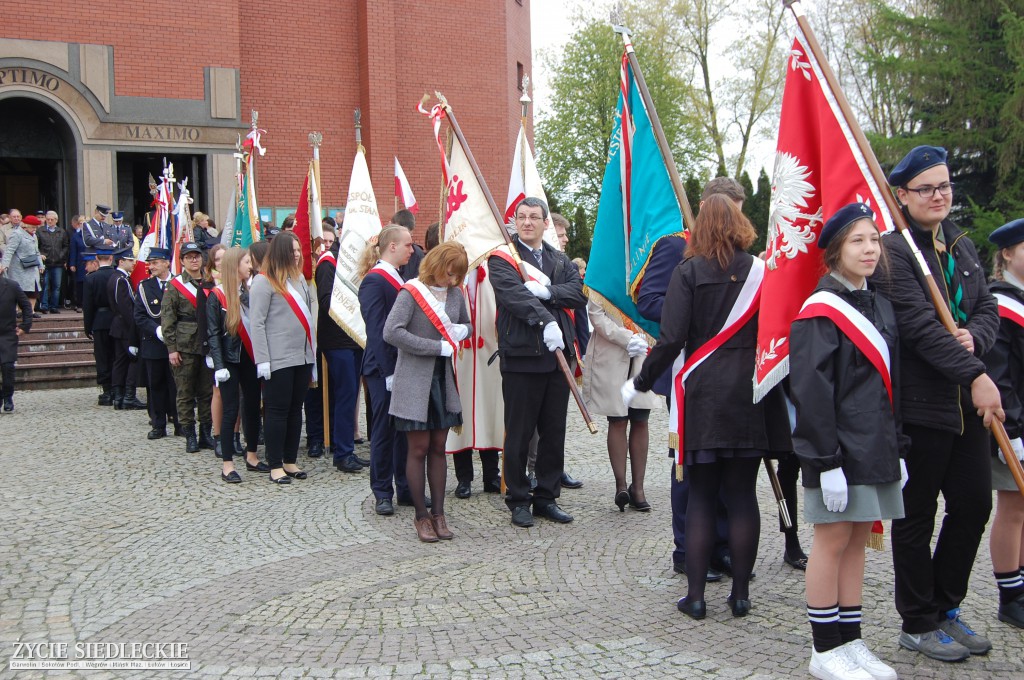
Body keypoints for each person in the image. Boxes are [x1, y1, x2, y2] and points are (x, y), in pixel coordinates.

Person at [623, 194, 791, 619]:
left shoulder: (688, 271)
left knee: (700, 497)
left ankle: (695, 598)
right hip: (748, 397)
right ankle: (740, 596)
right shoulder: (760, 272)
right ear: (739, 224)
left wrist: (640, 381)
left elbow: (672, 338)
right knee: (741, 497)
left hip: (701, 398)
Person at [871, 145, 1002, 661]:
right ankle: (918, 620)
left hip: (966, 405)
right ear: (902, 195)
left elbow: (987, 307)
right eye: (926, 189)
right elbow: (919, 329)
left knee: (974, 504)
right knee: (916, 516)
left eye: (945, 185)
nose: (939, 196)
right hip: (921, 406)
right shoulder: (892, 251)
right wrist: (974, 370)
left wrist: (975, 340)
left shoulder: (961, 244)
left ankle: (947, 606)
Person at [791, 203, 907, 680]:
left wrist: (897, 449)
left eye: (874, 240)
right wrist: (826, 461)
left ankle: (850, 640)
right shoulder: (820, 310)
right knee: (833, 539)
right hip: (838, 449)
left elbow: (889, 384)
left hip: (877, 443)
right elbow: (811, 391)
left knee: (859, 538)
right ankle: (824, 649)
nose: (869, 249)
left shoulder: (879, 302)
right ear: (836, 250)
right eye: (858, 240)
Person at [635, 177, 749, 581]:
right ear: (704, 205)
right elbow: (647, 299)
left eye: (740, 209)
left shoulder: (743, 257)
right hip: (689, 367)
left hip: (733, 376)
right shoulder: (674, 245)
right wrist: (696, 306)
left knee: (728, 463)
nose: (734, 217)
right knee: (690, 466)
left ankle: (720, 546)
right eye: (727, 209)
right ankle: (687, 548)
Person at [489, 196, 587, 527]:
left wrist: (549, 293)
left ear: (546, 223)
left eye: (534, 217)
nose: (527, 222)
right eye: (522, 217)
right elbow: (513, 297)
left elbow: (577, 293)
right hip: (521, 357)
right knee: (519, 432)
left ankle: (546, 496)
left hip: (558, 360)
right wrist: (545, 320)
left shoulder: (559, 259)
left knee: (553, 432)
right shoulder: (503, 260)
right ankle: (518, 498)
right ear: (514, 222)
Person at [384, 241, 471, 541]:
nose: (452, 281)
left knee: (438, 449)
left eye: (457, 276)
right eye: (449, 273)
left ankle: (440, 514)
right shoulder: (411, 292)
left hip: (443, 382)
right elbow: (392, 331)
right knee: (418, 449)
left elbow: (466, 325)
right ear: (435, 265)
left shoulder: (455, 293)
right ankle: (421, 516)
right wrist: (436, 346)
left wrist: (463, 331)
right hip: (414, 381)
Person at [982, 218, 1024, 630]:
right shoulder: (1002, 302)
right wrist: (1011, 431)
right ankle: (1010, 594)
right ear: (1007, 254)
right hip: (1015, 425)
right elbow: (1000, 374)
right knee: (1013, 507)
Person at [249, 232, 315, 484]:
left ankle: (289, 459)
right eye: (292, 250)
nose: (297, 255)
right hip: (277, 358)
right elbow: (257, 323)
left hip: (301, 356)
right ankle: (275, 463)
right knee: (277, 411)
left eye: (299, 250)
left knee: (295, 411)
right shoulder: (263, 282)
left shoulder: (299, 281)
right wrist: (262, 359)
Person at [359, 225, 415, 513]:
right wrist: (389, 371)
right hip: (383, 369)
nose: (412, 249)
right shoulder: (374, 281)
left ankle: (405, 488)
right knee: (383, 431)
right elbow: (377, 330)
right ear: (391, 246)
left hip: (402, 366)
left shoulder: (398, 277)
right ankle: (382, 491)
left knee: (404, 432)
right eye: (407, 244)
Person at [582, 296, 658, 511]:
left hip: (643, 350)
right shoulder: (603, 271)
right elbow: (596, 315)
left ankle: (639, 488)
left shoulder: (642, 269)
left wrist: (643, 335)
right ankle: (621, 486)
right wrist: (626, 338)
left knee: (641, 418)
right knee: (617, 419)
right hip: (612, 352)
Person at [208, 246, 269, 482]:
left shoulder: (250, 292)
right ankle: (227, 465)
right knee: (231, 409)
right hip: (229, 359)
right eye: (245, 262)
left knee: (253, 406)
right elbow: (213, 333)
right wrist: (219, 364)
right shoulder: (217, 295)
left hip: (250, 357)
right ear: (235, 266)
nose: (250, 266)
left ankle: (252, 455)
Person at [315, 231, 366, 473]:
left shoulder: (356, 266)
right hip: (337, 340)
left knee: (349, 395)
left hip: (354, 339)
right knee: (346, 395)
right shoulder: (328, 264)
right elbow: (326, 301)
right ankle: (343, 452)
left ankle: (344, 446)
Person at [162, 241, 215, 454]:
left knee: (206, 392)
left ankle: (205, 433)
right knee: (185, 393)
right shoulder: (175, 286)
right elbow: (167, 319)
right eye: (189, 257)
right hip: (184, 346)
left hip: (206, 344)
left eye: (197, 256)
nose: (194, 259)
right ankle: (189, 435)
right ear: (182, 261)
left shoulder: (210, 282)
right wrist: (171, 348)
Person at [133, 247, 177, 439]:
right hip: (153, 342)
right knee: (156, 385)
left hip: (176, 343)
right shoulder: (145, 286)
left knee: (176, 385)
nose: (151, 267)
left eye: (156, 262)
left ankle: (180, 422)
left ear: (167, 262)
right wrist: (156, 329)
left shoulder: (178, 282)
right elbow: (139, 316)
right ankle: (158, 424)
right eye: (150, 263)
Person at [107, 247, 144, 410]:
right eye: (130, 260)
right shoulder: (121, 279)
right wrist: (135, 328)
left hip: (118, 325)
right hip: (124, 326)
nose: (133, 263)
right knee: (132, 359)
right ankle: (128, 395)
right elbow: (125, 307)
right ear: (121, 261)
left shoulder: (117, 277)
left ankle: (119, 395)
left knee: (120, 361)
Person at [83, 247, 117, 405]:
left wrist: (87, 326)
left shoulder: (91, 278)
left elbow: (88, 305)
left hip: (100, 320)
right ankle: (118, 389)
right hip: (117, 319)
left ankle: (107, 390)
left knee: (103, 356)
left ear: (97, 258)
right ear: (111, 258)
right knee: (117, 355)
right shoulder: (117, 276)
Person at [0, 274, 32, 412]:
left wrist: (25, 326)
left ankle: (8, 397)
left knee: (7, 367)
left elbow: (26, 305)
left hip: (7, 334)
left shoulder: (11, 285)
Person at [1, 214, 43, 317]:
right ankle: (20, 311)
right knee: (21, 290)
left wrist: (41, 265)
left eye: (35, 227)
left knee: (34, 289)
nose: (34, 229)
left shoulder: (34, 235)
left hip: (32, 266)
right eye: (33, 227)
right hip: (19, 268)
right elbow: (9, 250)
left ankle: (31, 311)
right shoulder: (17, 234)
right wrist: (5, 265)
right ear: (26, 225)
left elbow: (37, 251)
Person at [37, 210, 68, 314]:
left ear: (56, 220)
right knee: (45, 285)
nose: (50, 221)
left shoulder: (61, 231)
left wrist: (61, 256)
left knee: (57, 286)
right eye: (48, 219)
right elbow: (37, 246)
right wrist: (41, 255)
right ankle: (44, 306)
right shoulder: (40, 231)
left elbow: (65, 246)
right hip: (45, 262)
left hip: (58, 263)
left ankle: (54, 306)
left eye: (52, 219)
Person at [392, 209, 424, 279]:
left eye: (408, 234)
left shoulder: (417, 254)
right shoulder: (383, 250)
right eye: (399, 233)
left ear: (412, 232)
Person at [68, 215, 86, 311]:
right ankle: (79, 304)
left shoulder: (91, 235)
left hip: (90, 262)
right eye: (80, 223)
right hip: (80, 263)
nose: (82, 225)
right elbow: (73, 251)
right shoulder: (75, 236)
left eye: (84, 223)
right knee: (80, 284)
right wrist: (72, 264)